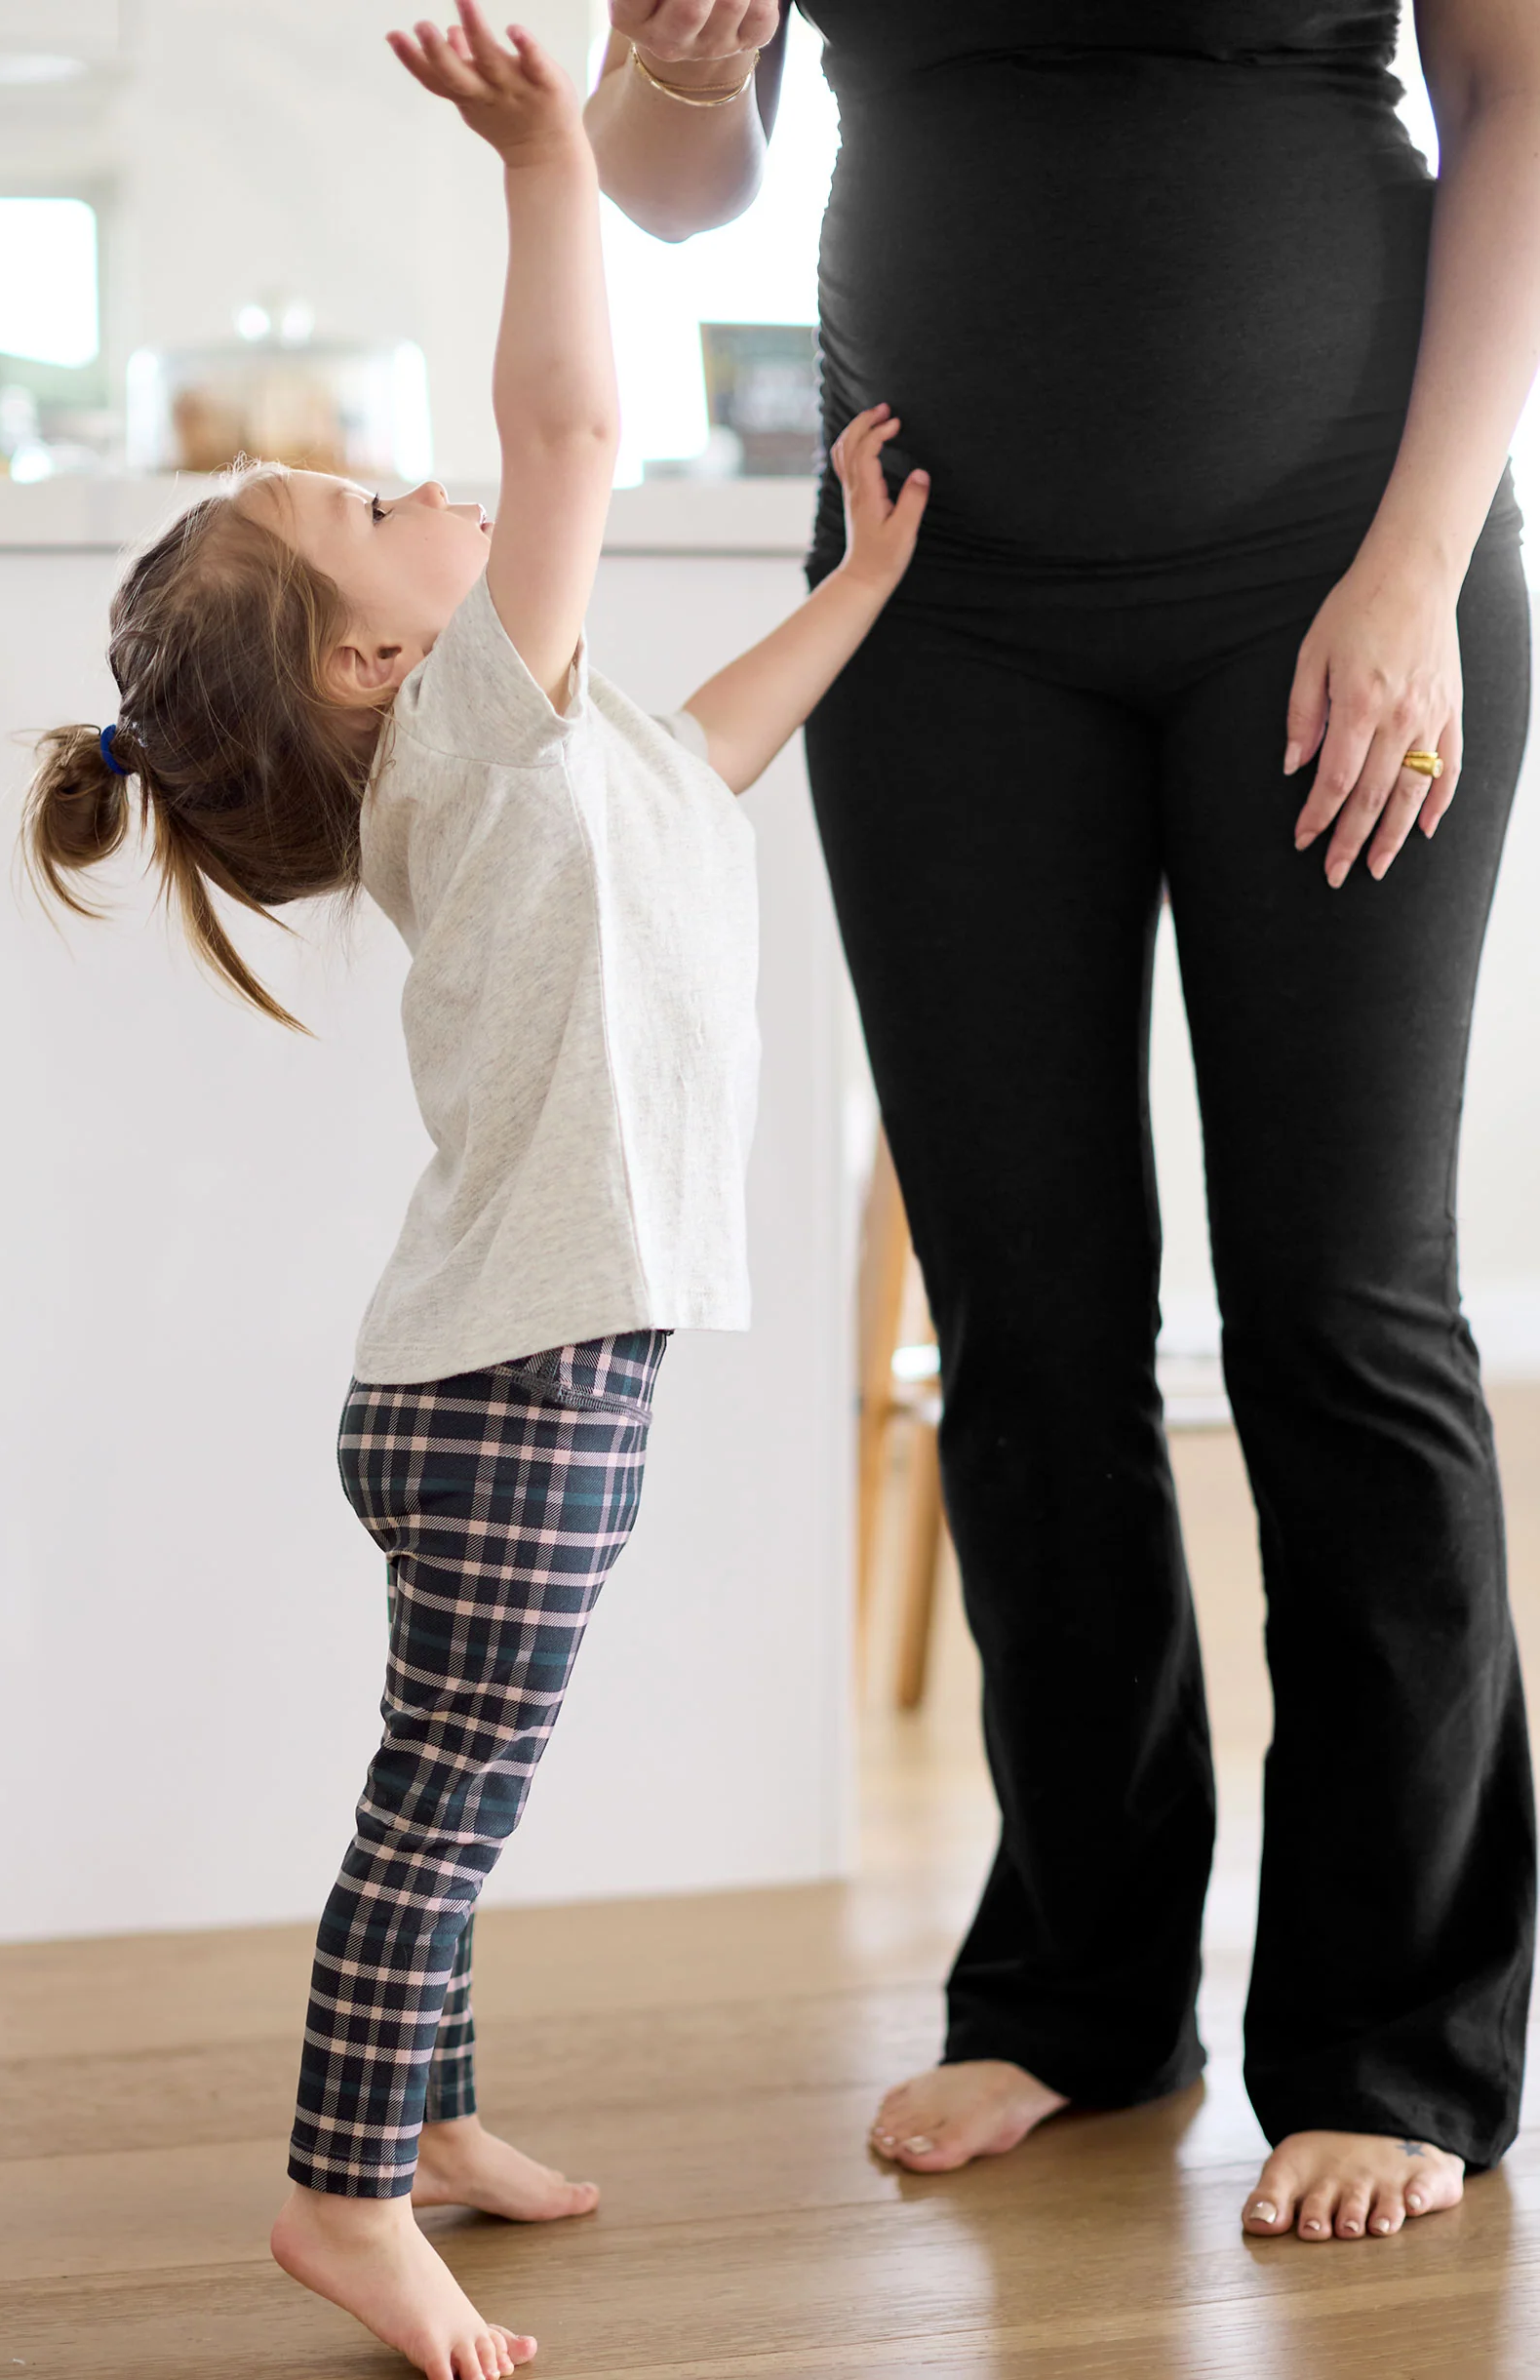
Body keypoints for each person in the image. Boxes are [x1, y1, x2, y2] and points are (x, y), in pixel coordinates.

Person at [589, 0, 1540, 2247]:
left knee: (1341, 1305)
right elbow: (671, 181)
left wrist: (1422, 561)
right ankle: (1083, 1985)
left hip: (1339, 569)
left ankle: (1396, 2032)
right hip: (934, 613)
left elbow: (1516, 98)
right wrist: (684, 73)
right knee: (1020, 1317)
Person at [23, 10, 928, 2371]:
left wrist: (860, 583)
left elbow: (708, 753)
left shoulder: (536, 756)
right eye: (369, 502)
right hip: (519, 1387)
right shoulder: (468, 729)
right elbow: (569, 430)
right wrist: (549, 164)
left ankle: (421, 2125)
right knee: (437, 1810)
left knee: (448, 1781)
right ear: (375, 658)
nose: (427, 481)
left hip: (500, 1371)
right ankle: (342, 2194)